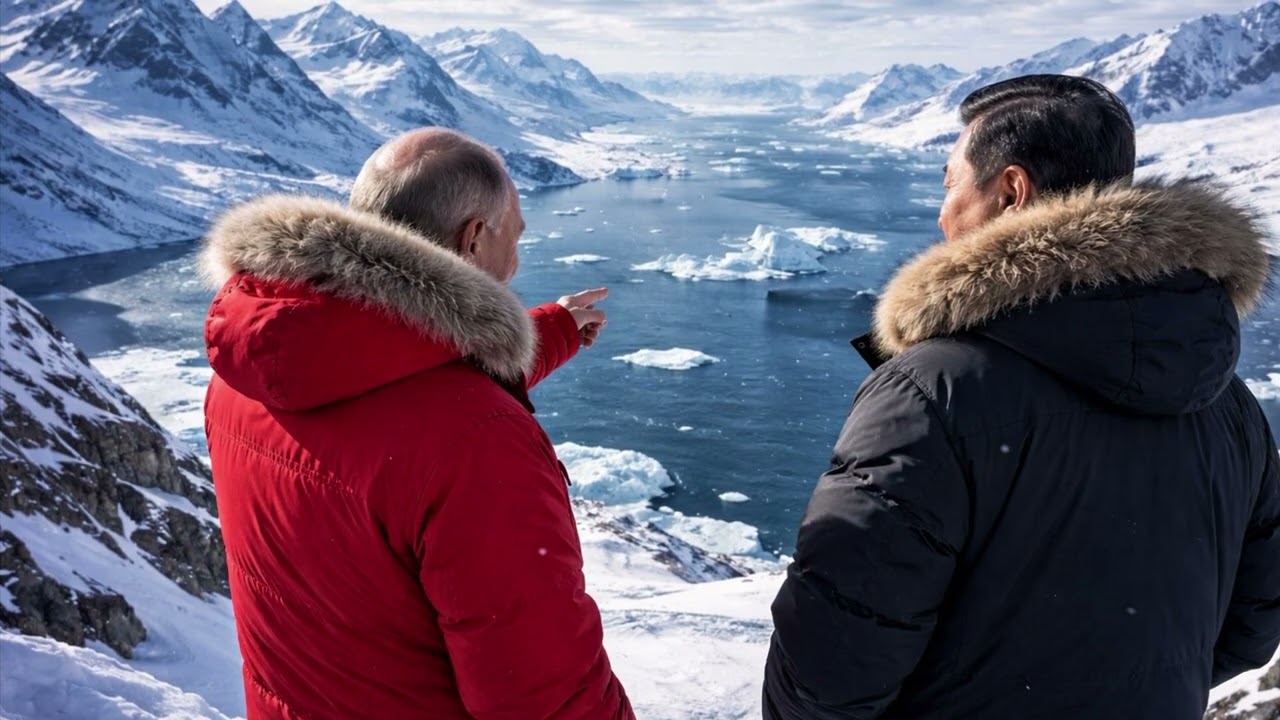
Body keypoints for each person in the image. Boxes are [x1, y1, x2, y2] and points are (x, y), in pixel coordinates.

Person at [764, 74, 1279, 719]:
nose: (940, 212)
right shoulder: (1229, 402)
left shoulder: (933, 393)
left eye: (950, 183)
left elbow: (831, 668)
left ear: (1011, 191)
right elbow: (1253, 621)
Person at [202, 128, 634, 719]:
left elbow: (386, 378)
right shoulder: (480, 444)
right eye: (516, 234)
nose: (519, 252)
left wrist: (551, 330)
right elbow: (544, 697)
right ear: (475, 238)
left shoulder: (243, 375)